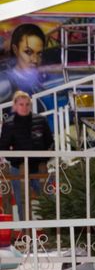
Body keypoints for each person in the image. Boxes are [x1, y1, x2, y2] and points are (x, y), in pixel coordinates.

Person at [0, 91, 53, 220]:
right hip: (18, 169)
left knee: (49, 201)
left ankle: (52, 234)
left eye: (27, 104)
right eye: (21, 104)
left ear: (31, 105)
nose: (24, 107)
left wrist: (43, 159)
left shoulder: (41, 120)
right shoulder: (9, 124)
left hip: (40, 168)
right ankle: (26, 236)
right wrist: (16, 160)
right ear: (15, 106)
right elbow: (3, 147)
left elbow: (50, 143)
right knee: (21, 202)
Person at [0, 24, 46, 102]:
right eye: (28, 52)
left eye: (39, 53)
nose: (35, 60)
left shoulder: (37, 84)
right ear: (15, 50)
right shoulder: (5, 82)